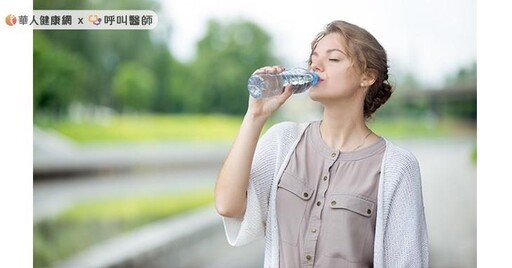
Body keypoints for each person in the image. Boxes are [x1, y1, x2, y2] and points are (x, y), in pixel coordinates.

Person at [214, 20, 429, 268]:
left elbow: (407, 262)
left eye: (333, 59)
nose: (316, 65)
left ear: (367, 76)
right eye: (313, 58)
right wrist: (255, 116)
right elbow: (227, 206)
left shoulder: (397, 167)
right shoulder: (283, 141)